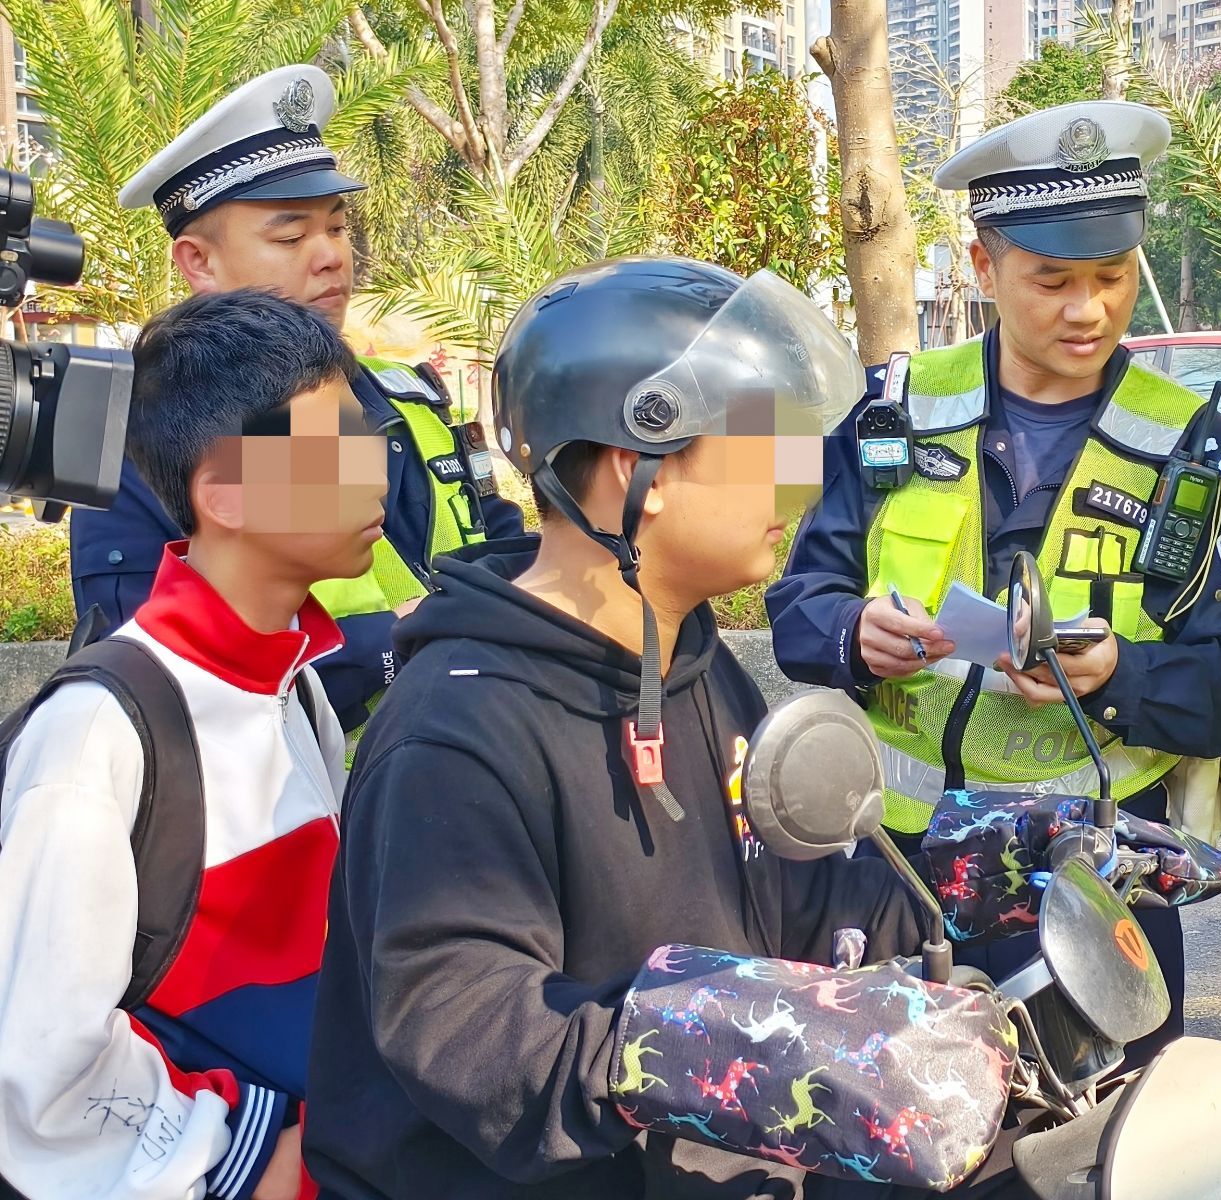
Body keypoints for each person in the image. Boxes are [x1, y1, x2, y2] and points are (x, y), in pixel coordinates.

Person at [303, 258, 1047, 1199]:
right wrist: (711, 1043)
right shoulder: (457, 727)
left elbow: (793, 887)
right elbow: (467, 1023)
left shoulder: (686, 657)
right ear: (637, 468)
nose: (798, 478)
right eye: (763, 441)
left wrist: (1001, 868)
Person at [766, 101, 1221, 1064]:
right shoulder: (893, 416)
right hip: (895, 878)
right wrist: (853, 634)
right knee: (897, 1141)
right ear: (983, 267)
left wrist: (1120, 675)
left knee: (1093, 1149)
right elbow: (797, 596)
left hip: (1097, 889)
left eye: (1112, 277)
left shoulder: (1200, 454)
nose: (1087, 309)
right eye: (1052, 280)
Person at [0, 291, 385, 1199]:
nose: (374, 473)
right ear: (224, 494)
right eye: (334, 448)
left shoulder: (294, 682)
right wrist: (245, 1158)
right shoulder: (102, 729)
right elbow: (36, 1065)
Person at [74, 64, 523, 740]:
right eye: (290, 236)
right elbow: (158, 672)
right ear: (198, 262)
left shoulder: (412, 399)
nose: (330, 257)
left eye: (338, 229)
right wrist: (398, 644)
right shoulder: (138, 438)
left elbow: (501, 547)